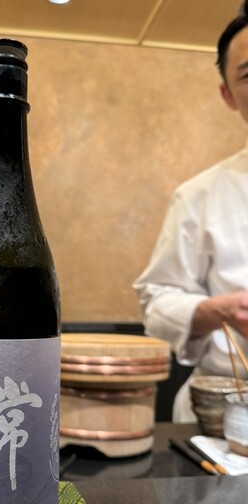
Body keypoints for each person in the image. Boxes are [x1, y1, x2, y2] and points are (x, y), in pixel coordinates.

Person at [133, 2, 248, 422]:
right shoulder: (200, 195)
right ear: (228, 95)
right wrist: (222, 310)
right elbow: (157, 302)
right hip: (223, 410)